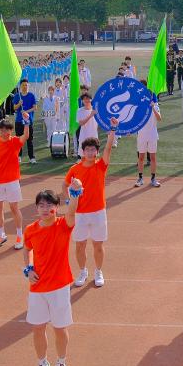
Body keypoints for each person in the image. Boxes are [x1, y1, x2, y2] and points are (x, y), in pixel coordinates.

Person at [24, 187, 80, 366]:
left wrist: (75, 194)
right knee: (38, 328)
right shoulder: (30, 229)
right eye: (41, 205)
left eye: (49, 205)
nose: (45, 208)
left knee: (59, 328)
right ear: (36, 208)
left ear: (56, 207)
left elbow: (72, 212)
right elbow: (27, 249)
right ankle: (42, 365)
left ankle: (61, 365)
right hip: (38, 287)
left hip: (59, 286)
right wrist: (28, 268)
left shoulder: (63, 225)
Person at [64, 117, 118, 288]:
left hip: (98, 212)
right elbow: (65, 185)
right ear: (83, 151)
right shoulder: (74, 169)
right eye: (87, 149)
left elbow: (108, 148)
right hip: (80, 214)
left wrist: (113, 129)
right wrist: (68, 199)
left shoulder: (101, 166)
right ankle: (82, 271)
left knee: (98, 245)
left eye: (92, 149)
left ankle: (98, 271)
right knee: (80, 245)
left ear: (96, 152)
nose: (89, 152)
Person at [0, 117, 30, 249]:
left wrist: (26, 122)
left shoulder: (15, 141)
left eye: (7, 130)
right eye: (2, 130)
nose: (4, 132)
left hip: (12, 180)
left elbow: (26, 136)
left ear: (11, 131)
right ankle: (1, 235)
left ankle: (19, 236)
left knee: (14, 208)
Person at [135, 88, 161, 188]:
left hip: (152, 135)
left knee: (153, 157)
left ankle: (153, 179)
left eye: (149, 95)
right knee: (141, 157)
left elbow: (159, 118)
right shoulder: (140, 106)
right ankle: (140, 178)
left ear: (151, 96)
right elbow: (135, 120)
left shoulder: (156, 106)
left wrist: (153, 108)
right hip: (141, 135)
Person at [13, 80, 37, 164]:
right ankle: (19, 156)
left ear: (28, 86)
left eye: (26, 85)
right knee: (19, 139)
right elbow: (14, 108)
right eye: (23, 85)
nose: (25, 87)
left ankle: (32, 157)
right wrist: (19, 104)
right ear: (20, 86)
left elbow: (35, 107)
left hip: (28, 121)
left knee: (29, 140)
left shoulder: (31, 95)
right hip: (19, 121)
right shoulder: (17, 96)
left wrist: (26, 111)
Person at [75, 93, 98, 159]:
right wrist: (90, 115)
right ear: (82, 101)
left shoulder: (96, 110)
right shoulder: (79, 111)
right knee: (83, 156)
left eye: (88, 98)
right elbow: (81, 123)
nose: (86, 100)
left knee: (93, 156)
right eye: (84, 99)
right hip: (84, 136)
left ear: (91, 99)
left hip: (93, 136)